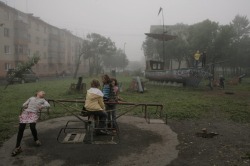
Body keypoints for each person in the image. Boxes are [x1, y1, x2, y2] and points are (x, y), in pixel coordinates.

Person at [11, 91, 50, 156]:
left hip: (33, 114)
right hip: (26, 113)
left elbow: (48, 105)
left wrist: (42, 106)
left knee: (32, 127)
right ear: (37, 93)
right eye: (42, 92)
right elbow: (23, 104)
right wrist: (26, 105)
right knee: (21, 129)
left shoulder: (43, 100)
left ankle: (36, 139)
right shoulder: (31, 98)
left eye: (44, 93)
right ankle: (18, 147)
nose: (44, 93)